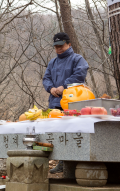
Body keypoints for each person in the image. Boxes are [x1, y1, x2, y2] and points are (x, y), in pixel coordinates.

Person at [43, 32, 89, 173]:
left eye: (61, 46)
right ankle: (60, 162)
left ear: (69, 44)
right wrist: (51, 89)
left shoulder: (77, 59)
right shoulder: (53, 62)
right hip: (55, 103)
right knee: (56, 134)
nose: (58, 49)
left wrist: (64, 86)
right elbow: (46, 78)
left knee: (70, 133)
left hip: (72, 103)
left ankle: (70, 163)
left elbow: (80, 74)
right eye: (56, 46)